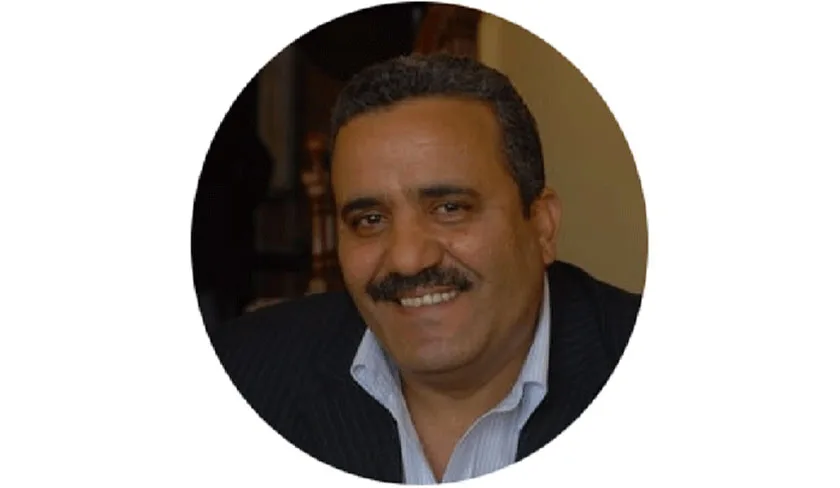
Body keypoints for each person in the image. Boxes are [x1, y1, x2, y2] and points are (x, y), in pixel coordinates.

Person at [210, 53, 642, 484]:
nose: (408, 259)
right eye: (370, 220)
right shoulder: (239, 374)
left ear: (542, 226)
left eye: (450, 208)